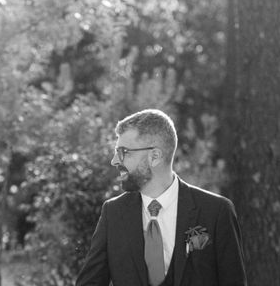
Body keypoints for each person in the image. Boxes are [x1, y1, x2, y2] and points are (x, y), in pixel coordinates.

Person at [75, 109, 247, 286]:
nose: (115, 161)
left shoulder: (216, 212)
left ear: (154, 156)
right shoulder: (113, 213)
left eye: (123, 152)